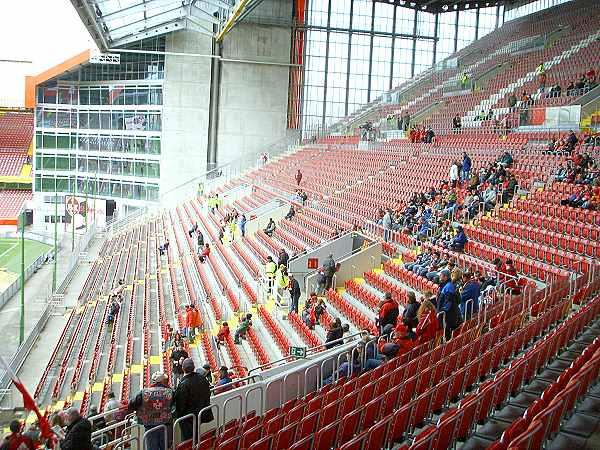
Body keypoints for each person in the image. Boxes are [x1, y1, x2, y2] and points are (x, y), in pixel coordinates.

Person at [128, 372, 172, 450]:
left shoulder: (144, 392)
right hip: (165, 424)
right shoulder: (169, 391)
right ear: (162, 381)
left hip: (150, 425)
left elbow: (131, 404)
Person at [174, 359, 213, 441]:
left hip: (188, 419)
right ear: (193, 367)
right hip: (200, 414)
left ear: (183, 368)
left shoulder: (183, 384)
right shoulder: (203, 379)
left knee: (188, 441)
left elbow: (180, 405)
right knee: (196, 437)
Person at [436, 269, 462, 339]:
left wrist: (442, 310)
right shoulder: (445, 285)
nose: (439, 277)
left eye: (441, 276)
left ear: (445, 277)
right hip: (446, 314)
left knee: (447, 331)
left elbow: (449, 302)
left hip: (448, 315)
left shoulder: (449, 287)